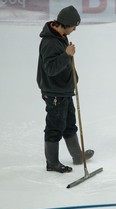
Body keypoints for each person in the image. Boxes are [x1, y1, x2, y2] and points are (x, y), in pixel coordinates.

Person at [37, 5, 94, 173]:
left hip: (64, 90)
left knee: (69, 124)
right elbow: (51, 69)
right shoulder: (50, 42)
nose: (74, 30)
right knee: (54, 127)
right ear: (66, 24)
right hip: (55, 92)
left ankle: (77, 155)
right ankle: (52, 163)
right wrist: (66, 55)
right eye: (73, 26)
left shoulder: (60, 36)